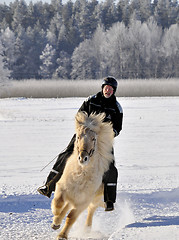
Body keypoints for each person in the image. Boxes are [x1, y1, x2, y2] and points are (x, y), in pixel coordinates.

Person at [37, 76, 123, 211]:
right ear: (102, 88)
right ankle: (49, 186)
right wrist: (84, 130)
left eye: (111, 89)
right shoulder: (91, 100)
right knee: (65, 155)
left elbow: (118, 128)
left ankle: (109, 200)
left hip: (102, 140)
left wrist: (108, 134)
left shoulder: (116, 107)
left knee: (110, 167)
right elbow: (79, 116)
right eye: (106, 88)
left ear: (114, 91)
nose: (108, 90)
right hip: (84, 134)